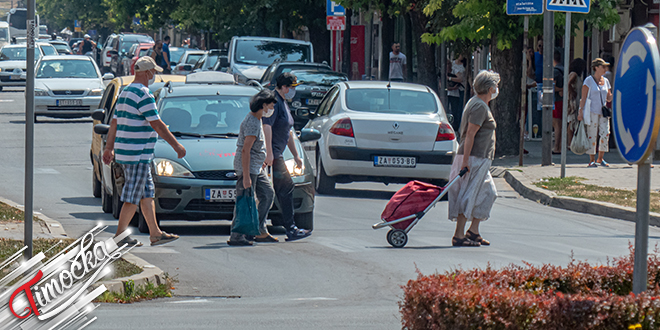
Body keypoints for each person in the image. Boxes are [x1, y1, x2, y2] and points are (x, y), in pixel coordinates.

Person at [102, 56, 185, 246]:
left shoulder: (125, 92)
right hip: (137, 153)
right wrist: (176, 145)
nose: (154, 75)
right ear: (147, 73)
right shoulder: (143, 94)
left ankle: (155, 233)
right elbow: (157, 124)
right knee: (132, 196)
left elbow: (114, 122)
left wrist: (109, 147)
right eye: (153, 72)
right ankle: (120, 236)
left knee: (147, 193)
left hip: (129, 152)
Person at [447, 70, 500, 247]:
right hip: (474, 158)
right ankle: (459, 235)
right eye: (495, 86)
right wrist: (465, 162)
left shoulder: (479, 104)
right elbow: (470, 135)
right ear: (490, 88)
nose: (497, 89)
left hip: (482, 159)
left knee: (489, 193)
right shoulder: (478, 106)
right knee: (468, 195)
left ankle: (474, 231)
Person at [263, 73, 312, 241]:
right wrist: (269, 152)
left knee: (279, 190)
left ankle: (287, 227)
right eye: (292, 87)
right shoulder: (274, 102)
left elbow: (288, 132)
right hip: (274, 155)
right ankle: (290, 228)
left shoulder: (283, 102)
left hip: (278, 153)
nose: (294, 90)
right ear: (284, 87)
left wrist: (296, 155)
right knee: (285, 188)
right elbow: (267, 126)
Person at [227, 90, 278, 246]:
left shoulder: (258, 121)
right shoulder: (252, 122)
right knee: (244, 200)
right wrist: (247, 175)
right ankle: (237, 235)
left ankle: (259, 229)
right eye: (270, 106)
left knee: (268, 194)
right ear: (263, 105)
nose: (271, 110)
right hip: (248, 168)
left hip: (256, 167)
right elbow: (245, 150)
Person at [578, 58, 612, 167]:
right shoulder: (588, 81)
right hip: (592, 111)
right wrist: (580, 111)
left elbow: (609, 97)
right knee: (592, 135)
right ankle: (591, 159)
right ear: (596, 68)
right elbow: (583, 98)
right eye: (603, 67)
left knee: (605, 133)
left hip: (603, 112)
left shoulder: (606, 81)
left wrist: (616, 92)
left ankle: (600, 158)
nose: (605, 69)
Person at [566, 58, 586, 147]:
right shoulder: (573, 74)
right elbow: (568, 83)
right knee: (571, 122)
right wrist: (571, 91)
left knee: (573, 122)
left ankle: (571, 143)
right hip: (573, 101)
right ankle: (570, 143)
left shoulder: (577, 76)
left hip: (575, 100)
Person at [447, 54, 466, 132]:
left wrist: (450, 78)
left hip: (460, 89)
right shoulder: (453, 64)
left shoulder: (465, 65)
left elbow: (460, 79)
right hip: (451, 90)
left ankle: (456, 126)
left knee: (458, 109)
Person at [552, 50, 564, 154]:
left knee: (556, 124)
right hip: (562, 100)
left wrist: (560, 89)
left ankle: (556, 147)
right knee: (559, 124)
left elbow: (553, 87)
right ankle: (559, 146)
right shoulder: (563, 69)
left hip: (556, 100)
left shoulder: (555, 71)